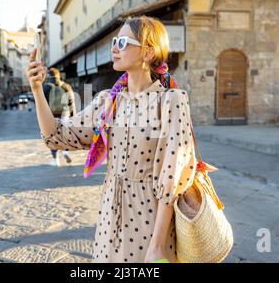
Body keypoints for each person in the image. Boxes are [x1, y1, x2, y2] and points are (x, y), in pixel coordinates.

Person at [26, 15, 197, 263]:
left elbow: (171, 179)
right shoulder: (109, 100)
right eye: (115, 41)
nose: (114, 48)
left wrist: (157, 246)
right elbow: (57, 136)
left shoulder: (170, 101)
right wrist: (36, 90)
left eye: (123, 42)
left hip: (149, 224)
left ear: (148, 52)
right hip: (109, 221)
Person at [42, 68, 74, 166]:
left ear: (49, 76)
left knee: (52, 136)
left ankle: (56, 160)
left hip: (51, 115)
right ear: (59, 75)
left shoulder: (46, 87)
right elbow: (71, 102)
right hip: (65, 114)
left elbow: (41, 103)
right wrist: (72, 116)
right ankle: (65, 151)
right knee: (64, 134)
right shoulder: (66, 86)